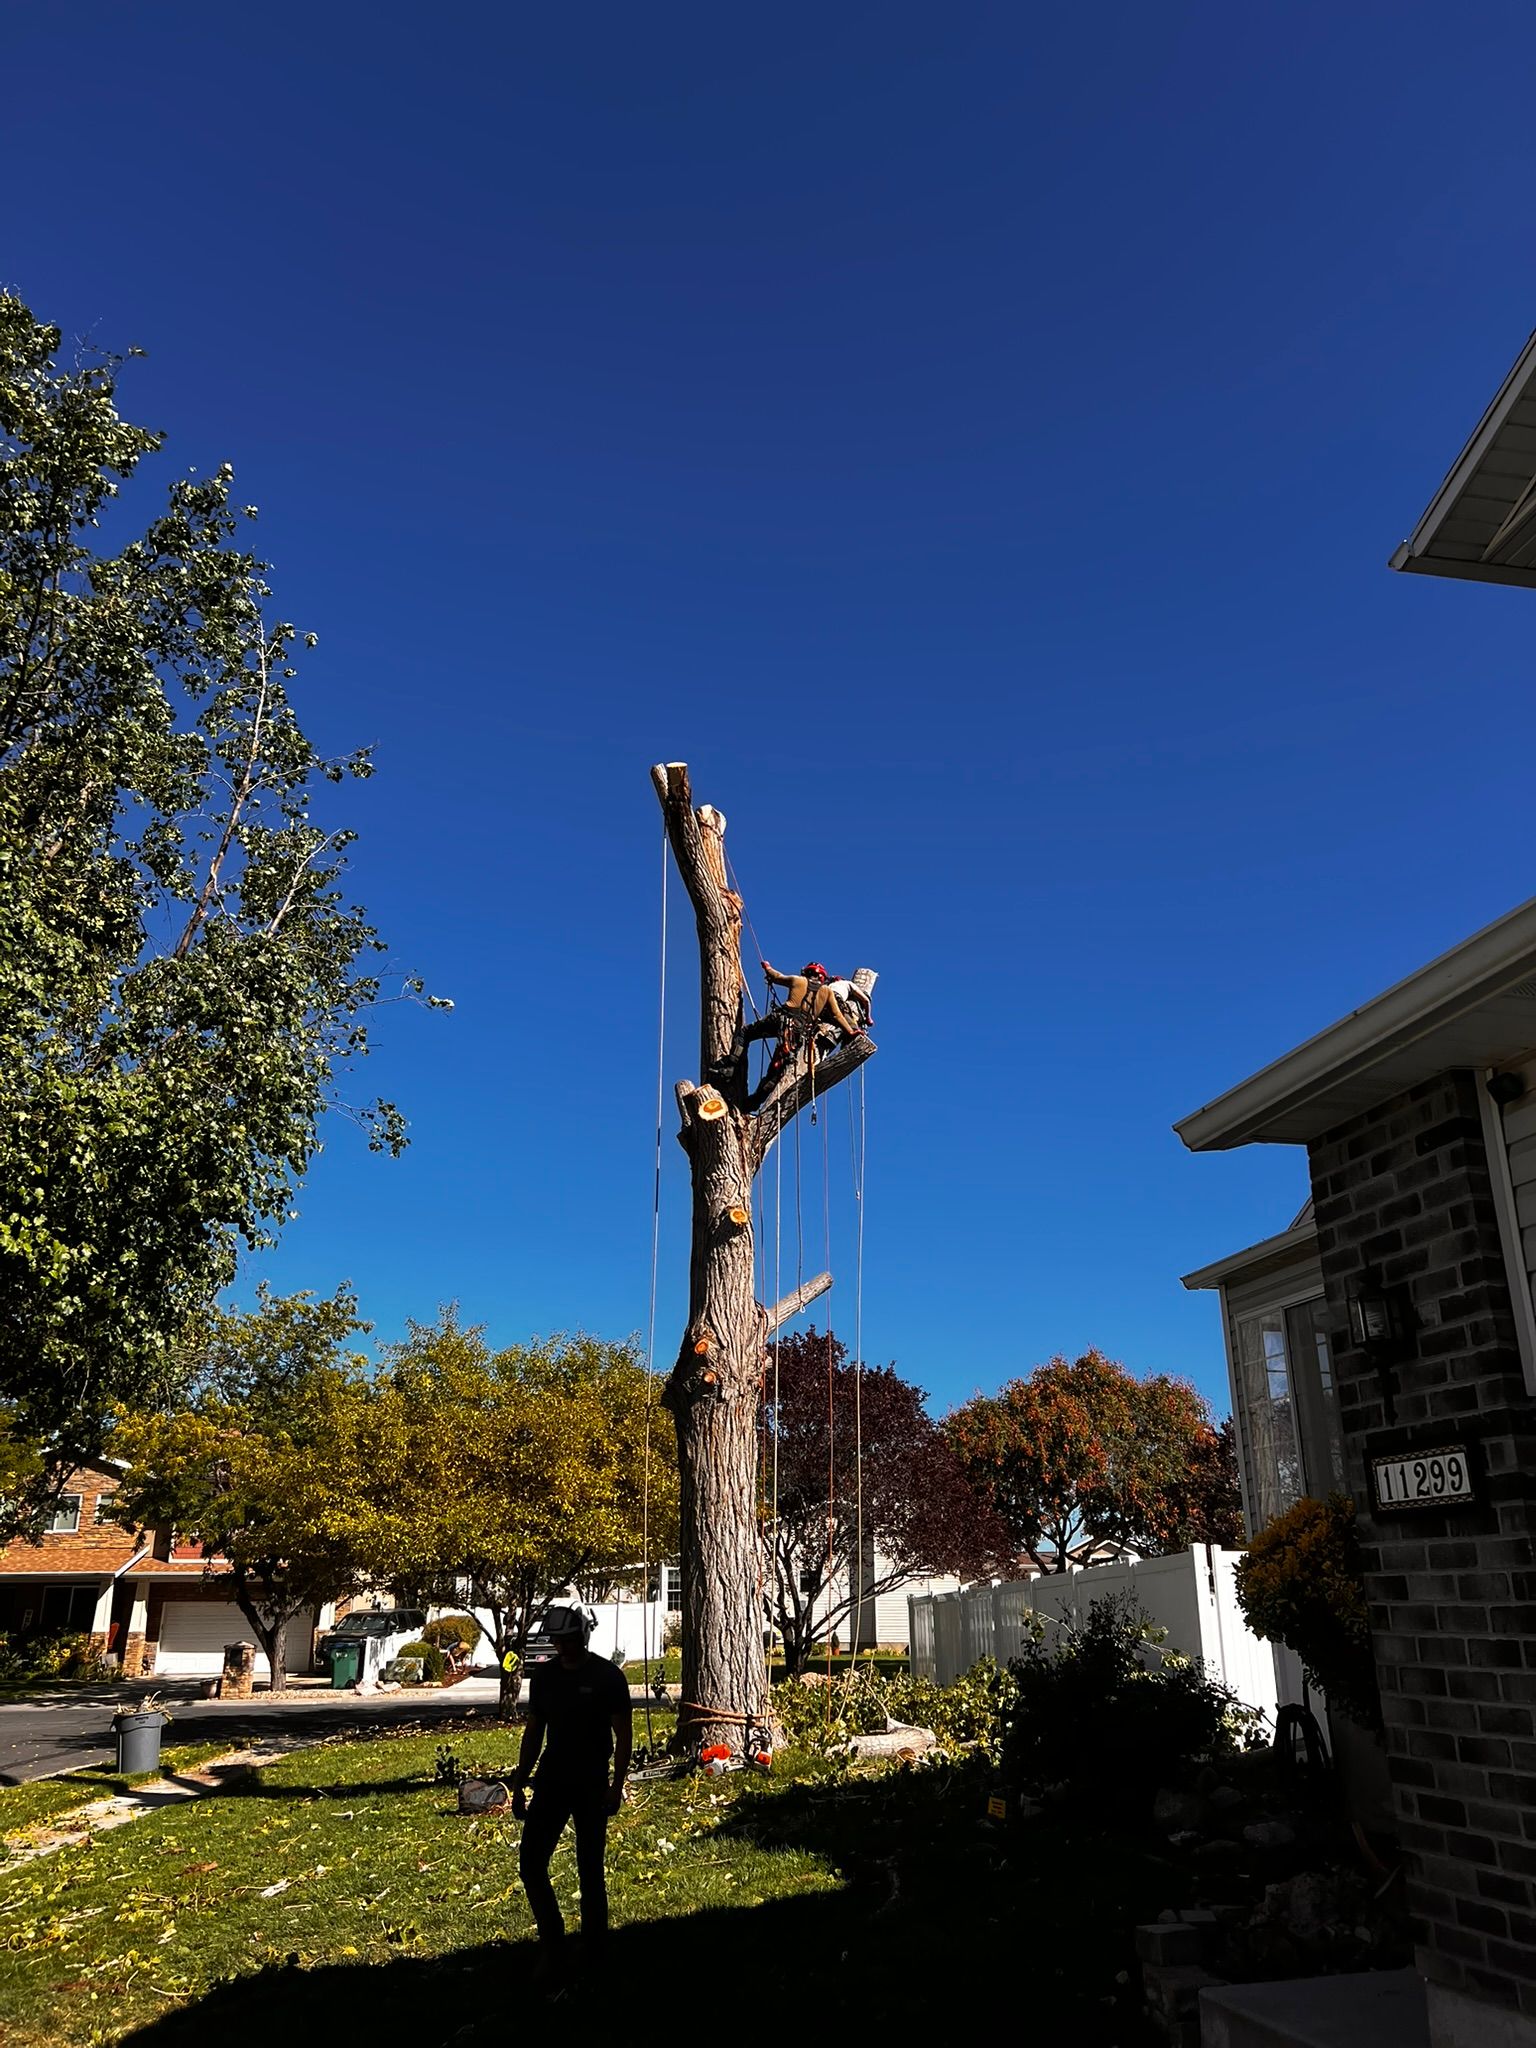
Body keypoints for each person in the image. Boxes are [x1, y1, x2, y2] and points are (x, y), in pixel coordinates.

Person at [511, 1602, 632, 1989]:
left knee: (589, 1870)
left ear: (584, 1636)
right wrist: (520, 1780)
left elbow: (623, 1736)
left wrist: (617, 1785)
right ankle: (554, 1944)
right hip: (551, 1781)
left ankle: (595, 1948)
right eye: (557, 1642)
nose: (563, 1648)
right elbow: (534, 1731)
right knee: (531, 1863)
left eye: (569, 1640)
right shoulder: (544, 1678)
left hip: (592, 1783)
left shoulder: (608, 1677)